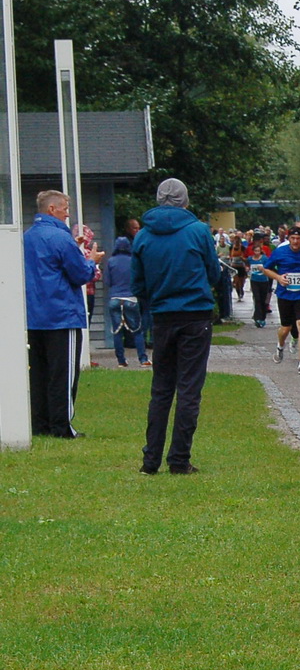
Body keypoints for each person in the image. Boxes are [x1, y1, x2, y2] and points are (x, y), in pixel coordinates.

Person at [133, 177, 225, 475]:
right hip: (195, 315)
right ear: (185, 201)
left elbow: (138, 283)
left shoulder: (143, 235)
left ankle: (150, 460)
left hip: (162, 315)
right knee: (189, 388)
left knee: (161, 388)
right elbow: (213, 272)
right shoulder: (198, 231)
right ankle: (179, 458)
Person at [24, 190, 101, 438]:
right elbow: (80, 274)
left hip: (34, 316)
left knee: (39, 373)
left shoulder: (27, 236)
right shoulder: (60, 237)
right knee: (63, 374)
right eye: (65, 209)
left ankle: (40, 423)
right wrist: (91, 260)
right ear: (52, 209)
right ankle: (62, 426)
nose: (67, 214)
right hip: (61, 314)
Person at [263, 226, 300, 373]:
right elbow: (266, 269)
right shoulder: (280, 251)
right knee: (285, 328)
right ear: (288, 239)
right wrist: (278, 278)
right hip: (285, 294)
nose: (295, 241)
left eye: (298, 238)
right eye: (293, 238)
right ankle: (280, 345)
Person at [104, 235, 149, 368]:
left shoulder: (111, 261)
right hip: (130, 298)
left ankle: (121, 361)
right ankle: (143, 359)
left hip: (115, 299)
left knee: (117, 332)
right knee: (137, 331)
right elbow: (139, 279)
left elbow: (107, 281)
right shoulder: (133, 261)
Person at [246, 233, 273, 326]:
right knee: (257, 298)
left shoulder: (265, 259)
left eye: (258, 251)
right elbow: (247, 265)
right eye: (255, 251)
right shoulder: (250, 259)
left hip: (264, 281)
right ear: (253, 251)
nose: (257, 252)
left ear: (261, 251)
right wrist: (247, 268)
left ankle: (262, 317)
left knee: (262, 299)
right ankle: (257, 318)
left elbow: (269, 268)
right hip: (254, 281)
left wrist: (263, 269)